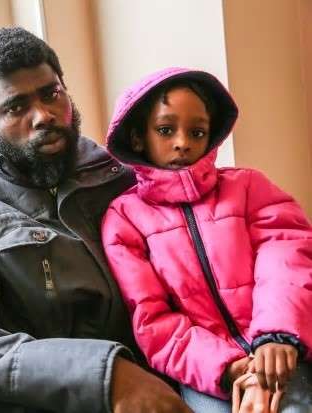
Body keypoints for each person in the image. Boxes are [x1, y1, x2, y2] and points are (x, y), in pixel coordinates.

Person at [0, 27, 193, 412]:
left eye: (51, 94)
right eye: (15, 107)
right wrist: (105, 376)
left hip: (185, 371)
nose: (43, 116)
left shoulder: (127, 174)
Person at [101, 67, 312, 412]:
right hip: (208, 372)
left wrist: (276, 337)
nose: (183, 142)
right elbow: (153, 320)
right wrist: (231, 367)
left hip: (283, 349)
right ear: (138, 138)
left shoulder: (250, 187)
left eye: (197, 131)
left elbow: (287, 262)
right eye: (166, 130)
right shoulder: (123, 219)